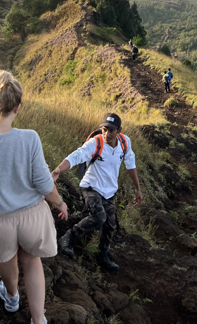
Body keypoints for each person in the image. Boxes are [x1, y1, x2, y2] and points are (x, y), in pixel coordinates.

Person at [0, 70, 68, 323]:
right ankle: (38, 320)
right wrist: (60, 202)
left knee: (7, 263)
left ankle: (11, 298)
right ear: (18, 107)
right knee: (31, 262)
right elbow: (43, 183)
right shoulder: (29, 138)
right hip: (32, 214)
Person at [52, 113, 142, 272]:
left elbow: (130, 165)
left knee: (110, 225)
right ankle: (69, 237)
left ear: (119, 130)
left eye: (112, 130)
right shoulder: (96, 143)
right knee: (99, 217)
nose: (107, 134)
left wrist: (137, 188)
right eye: (104, 129)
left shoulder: (124, 143)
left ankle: (103, 253)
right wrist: (59, 169)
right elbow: (76, 156)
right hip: (90, 187)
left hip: (109, 191)